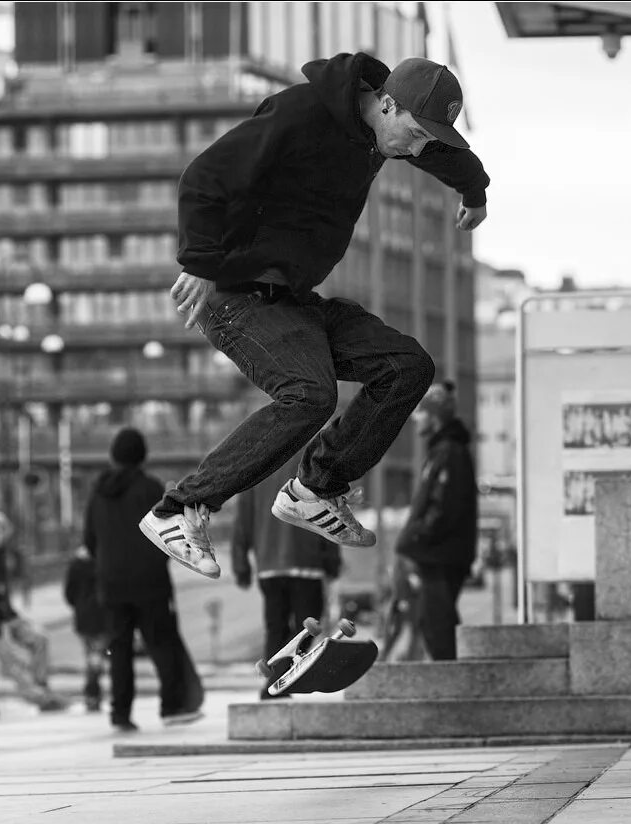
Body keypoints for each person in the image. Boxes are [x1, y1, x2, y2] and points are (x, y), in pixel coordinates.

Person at [138, 53, 489, 579]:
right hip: (237, 298)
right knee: (310, 394)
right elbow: (204, 177)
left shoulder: (386, 128)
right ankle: (178, 510)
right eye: (413, 134)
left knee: (407, 366)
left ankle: (316, 489)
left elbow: (440, 153)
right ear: (386, 103)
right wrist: (201, 263)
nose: (414, 149)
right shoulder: (300, 114)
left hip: (294, 301)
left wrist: (475, 191)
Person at [85, 427, 202, 731]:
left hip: (111, 584)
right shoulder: (150, 489)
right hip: (149, 581)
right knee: (160, 643)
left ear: (113, 455)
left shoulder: (98, 492)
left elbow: (89, 539)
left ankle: (120, 714)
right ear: (142, 455)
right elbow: (169, 534)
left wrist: (106, 563)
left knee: (119, 650)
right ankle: (171, 706)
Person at [231, 452, 343, 699]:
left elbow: (243, 519)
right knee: (307, 629)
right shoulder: (314, 460)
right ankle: (282, 681)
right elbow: (330, 511)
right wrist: (332, 560)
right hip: (307, 562)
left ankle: (277, 681)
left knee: (275, 627)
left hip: (269, 565)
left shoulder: (259, 464)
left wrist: (241, 563)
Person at [394, 381, 478, 660]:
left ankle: (454, 690)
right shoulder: (441, 451)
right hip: (437, 555)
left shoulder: (449, 453)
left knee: (438, 627)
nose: (415, 418)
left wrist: (416, 537)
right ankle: (451, 687)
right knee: (432, 625)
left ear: (434, 415)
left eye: (420, 412)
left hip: (441, 557)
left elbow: (444, 508)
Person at [0, 511, 68, 713]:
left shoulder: (2, 555)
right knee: (14, 661)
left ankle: (42, 684)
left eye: (2, 529)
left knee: (40, 639)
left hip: (7, 616)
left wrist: (13, 617)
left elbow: (4, 590)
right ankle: (38, 696)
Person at [63, 545, 106, 712]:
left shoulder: (76, 564)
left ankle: (91, 694)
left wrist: (79, 605)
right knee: (97, 656)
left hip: (83, 617)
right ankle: (93, 692)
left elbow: (69, 593)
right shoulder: (102, 559)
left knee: (91, 655)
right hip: (102, 615)